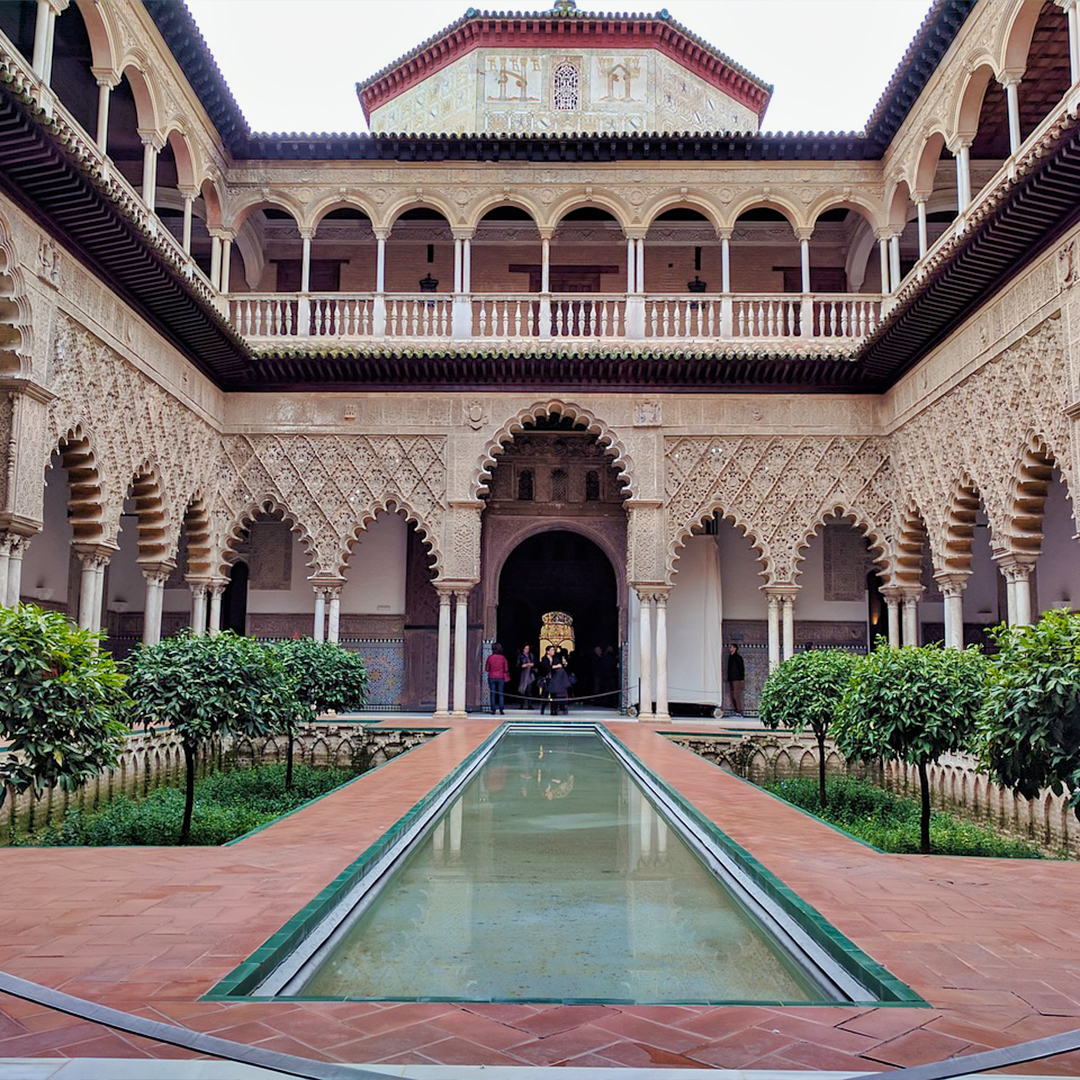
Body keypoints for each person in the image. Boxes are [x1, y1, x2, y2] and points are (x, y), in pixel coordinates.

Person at [485, 643, 509, 715]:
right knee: (501, 694)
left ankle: (493, 710)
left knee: (493, 694)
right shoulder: (502, 658)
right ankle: (501, 709)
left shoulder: (490, 658)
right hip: (500, 677)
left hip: (492, 677)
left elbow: (487, 669)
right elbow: (506, 668)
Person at [548, 650, 572, 716]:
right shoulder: (559, 670)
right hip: (559, 687)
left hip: (559, 687)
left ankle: (556, 710)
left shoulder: (561, 669)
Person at [536, 645, 557, 716]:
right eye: (551, 650)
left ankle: (554, 711)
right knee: (545, 694)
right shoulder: (544, 659)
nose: (553, 652)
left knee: (554, 695)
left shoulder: (555, 658)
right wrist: (553, 667)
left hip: (554, 679)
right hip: (546, 679)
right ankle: (542, 709)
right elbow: (546, 667)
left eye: (553, 650)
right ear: (548, 651)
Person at [726, 643, 745, 716]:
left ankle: (739, 711)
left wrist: (741, 678)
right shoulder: (730, 657)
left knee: (736, 695)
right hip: (732, 678)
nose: (729, 648)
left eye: (731, 647)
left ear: (735, 648)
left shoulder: (738, 658)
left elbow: (741, 668)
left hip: (737, 679)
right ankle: (735, 710)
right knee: (732, 695)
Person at [517, 643, 536, 709]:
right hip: (523, 676)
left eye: (528, 649)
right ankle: (521, 705)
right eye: (525, 649)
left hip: (529, 675)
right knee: (522, 691)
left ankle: (530, 705)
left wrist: (531, 665)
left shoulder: (531, 655)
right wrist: (523, 666)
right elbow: (518, 665)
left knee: (529, 691)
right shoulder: (520, 656)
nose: (527, 650)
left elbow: (534, 663)